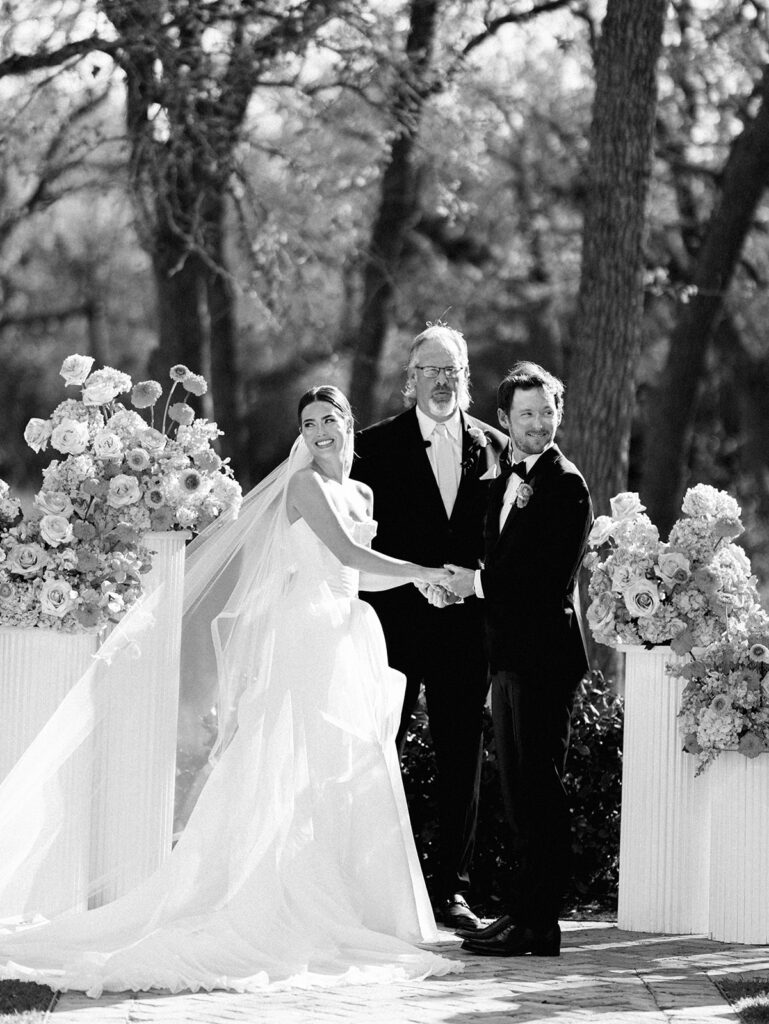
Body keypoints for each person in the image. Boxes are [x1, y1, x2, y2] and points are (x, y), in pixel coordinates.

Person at [0, 385, 464, 995]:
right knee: (289, 762)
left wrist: (415, 587)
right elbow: (348, 550)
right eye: (309, 421)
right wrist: (428, 571)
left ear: (349, 423)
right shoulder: (304, 487)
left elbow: (356, 573)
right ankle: (268, 898)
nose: (321, 429)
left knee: (341, 772)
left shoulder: (362, 491)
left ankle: (347, 901)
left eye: (330, 418)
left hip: (347, 632)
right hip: (307, 634)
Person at [350, 324, 507, 931]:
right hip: (395, 625)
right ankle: (375, 889)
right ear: (410, 379)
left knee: (462, 758)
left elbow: (505, 541)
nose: (442, 380)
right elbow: (360, 537)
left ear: (466, 378)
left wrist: (474, 578)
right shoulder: (373, 447)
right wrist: (413, 579)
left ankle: (453, 891)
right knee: (377, 750)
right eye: (430, 369)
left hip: (467, 629)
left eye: (454, 370)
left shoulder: (495, 449)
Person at [443, 362, 592, 957]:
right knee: (517, 795)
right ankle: (523, 912)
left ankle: (540, 926)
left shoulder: (565, 483)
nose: (537, 424)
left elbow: (544, 578)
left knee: (540, 792)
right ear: (504, 419)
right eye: (525, 414)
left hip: (544, 660)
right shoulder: (505, 474)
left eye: (546, 412)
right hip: (508, 657)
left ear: (560, 413)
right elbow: (496, 551)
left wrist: (474, 584)